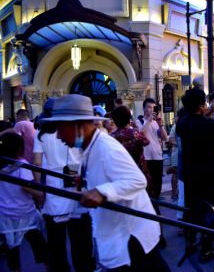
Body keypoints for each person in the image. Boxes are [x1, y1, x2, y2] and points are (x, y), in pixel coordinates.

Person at [41, 94, 169, 271]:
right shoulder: (87, 148)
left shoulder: (106, 147)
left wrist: (101, 192)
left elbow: (137, 180)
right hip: (118, 236)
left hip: (132, 238)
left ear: (78, 125)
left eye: (60, 128)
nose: (58, 135)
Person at [33, 98, 95, 272]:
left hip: (54, 189)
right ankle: (84, 268)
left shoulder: (41, 135)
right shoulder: (75, 132)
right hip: (77, 185)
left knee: (56, 241)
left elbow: (37, 163)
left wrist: (39, 190)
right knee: (81, 239)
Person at [177, 88, 214, 261]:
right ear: (201, 105)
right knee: (210, 211)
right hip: (210, 176)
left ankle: (190, 241)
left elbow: (199, 120)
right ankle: (206, 248)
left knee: (192, 209)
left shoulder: (182, 122)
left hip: (190, 175)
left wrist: (207, 111)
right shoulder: (209, 125)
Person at [0, 132, 48, 272]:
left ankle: (16, 269)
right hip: (25, 212)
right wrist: (41, 195)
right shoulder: (22, 165)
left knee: (12, 247)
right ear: (19, 148)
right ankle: (48, 265)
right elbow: (26, 186)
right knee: (38, 243)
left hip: (5, 214)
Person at [136, 98, 168, 199]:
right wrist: (149, 121)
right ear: (144, 109)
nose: (152, 109)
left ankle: (156, 206)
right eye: (149, 107)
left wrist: (160, 125)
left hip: (157, 157)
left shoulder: (156, 123)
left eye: (153, 107)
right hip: (146, 158)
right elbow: (142, 135)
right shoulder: (139, 121)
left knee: (158, 185)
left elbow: (164, 138)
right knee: (148, 186)